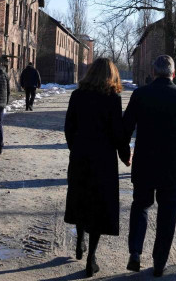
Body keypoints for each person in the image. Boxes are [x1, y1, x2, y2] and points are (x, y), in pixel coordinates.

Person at [123, 55, 176, 278]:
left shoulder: (140, 95)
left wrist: (125, 153)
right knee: (168, 213)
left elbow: (126, 127)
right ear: (173, 74)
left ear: (153, 73)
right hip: (171, 166)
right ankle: (159, 262)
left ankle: (135, 252)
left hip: (145, 162)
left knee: (141, 206)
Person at [64, 57, 131, 278]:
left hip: (81, 156)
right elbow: (116, 131)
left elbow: (69, 127)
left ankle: (80, 240)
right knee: (98, 206)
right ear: (111, 75)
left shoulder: (77, 96)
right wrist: (124, 154)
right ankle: (91, 257)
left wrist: (75, 148)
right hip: (103, 160)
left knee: (81, 198)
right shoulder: (112, 98)